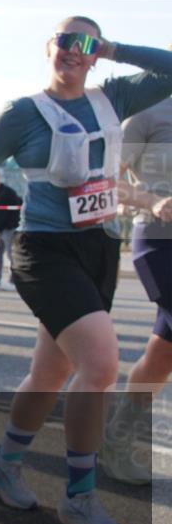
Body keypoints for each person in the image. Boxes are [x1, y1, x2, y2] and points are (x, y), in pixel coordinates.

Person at [0, 17, 172, 524]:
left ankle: (4, 461)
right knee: (99, 364)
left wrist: (115, 46)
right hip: (44, 249)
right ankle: (79, 497)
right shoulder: (22, 111)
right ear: (47, 47)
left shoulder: (113, 97)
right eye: (64, 39)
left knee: (49, 372)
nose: (73, 50)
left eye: (86, 43)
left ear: (94, 55)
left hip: (99, 248)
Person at [102, 95, 172, 485]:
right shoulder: (146, 116)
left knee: (163, 352)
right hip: (161, 244)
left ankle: (116, 437)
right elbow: (106, 180)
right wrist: (153, 200)